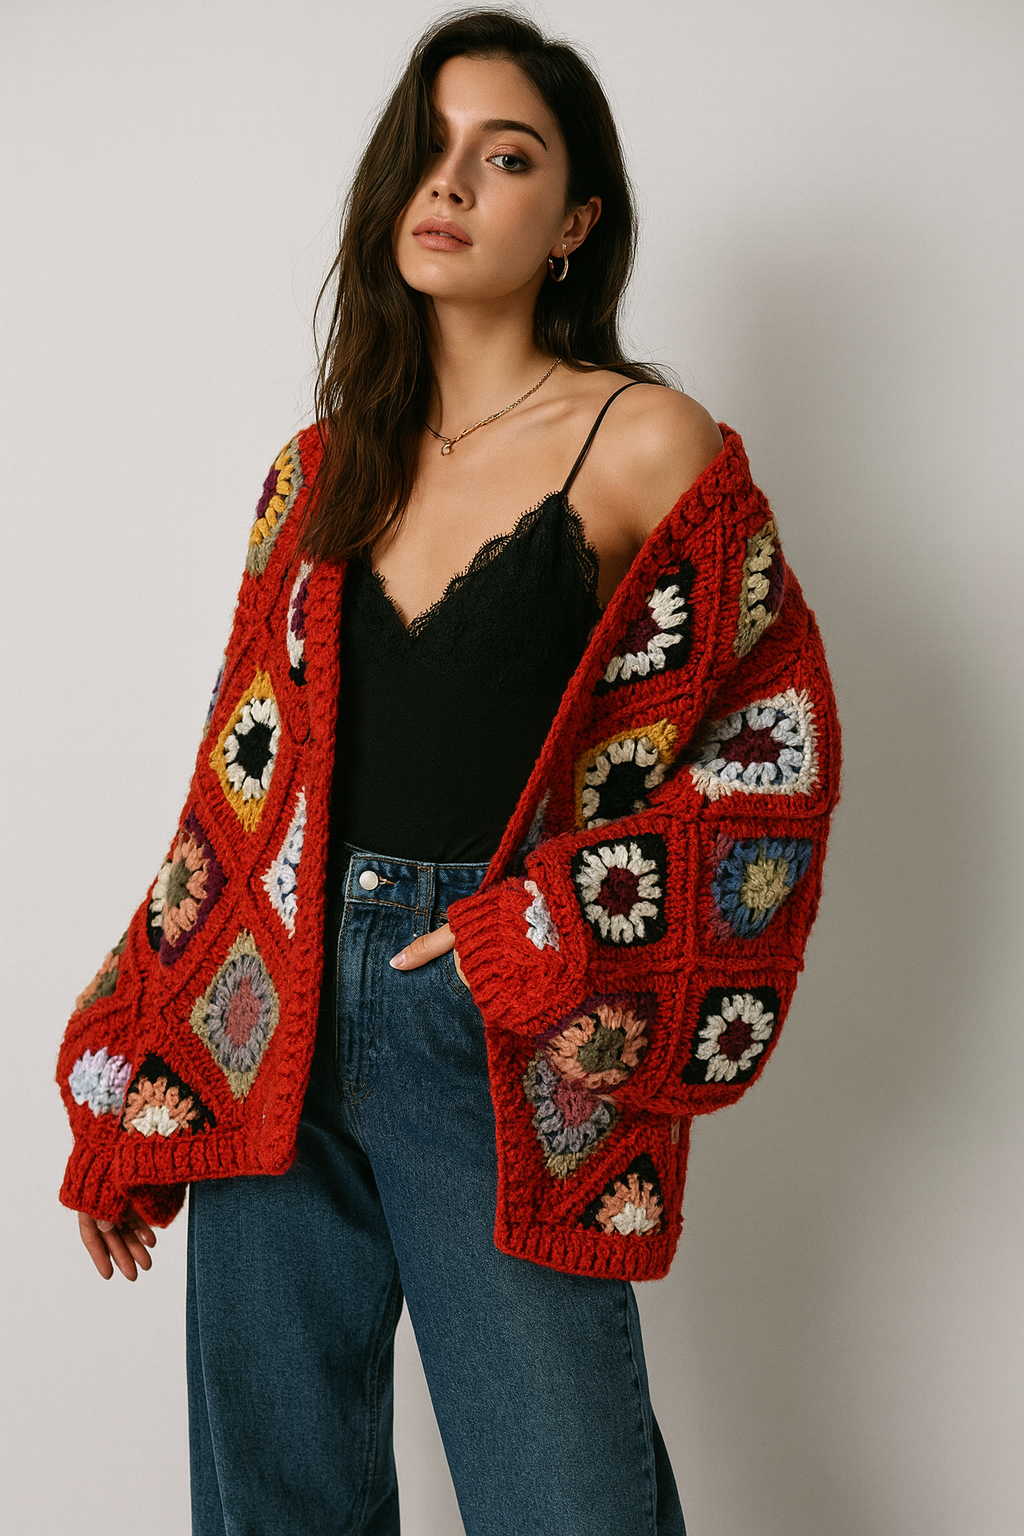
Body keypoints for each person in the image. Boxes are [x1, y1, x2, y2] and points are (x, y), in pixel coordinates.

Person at [56, 10, 841, 1534]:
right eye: (429, 148)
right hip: (269, 1034)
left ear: (576, 220)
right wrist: (143, 1076)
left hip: (493, 1017)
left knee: (568, 1504)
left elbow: (771, 762)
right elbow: (238, 809)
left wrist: (535, 932)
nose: (454, 182)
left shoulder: (648, 445)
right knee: (274, 1507)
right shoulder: (317, 470)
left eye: (508, 156)